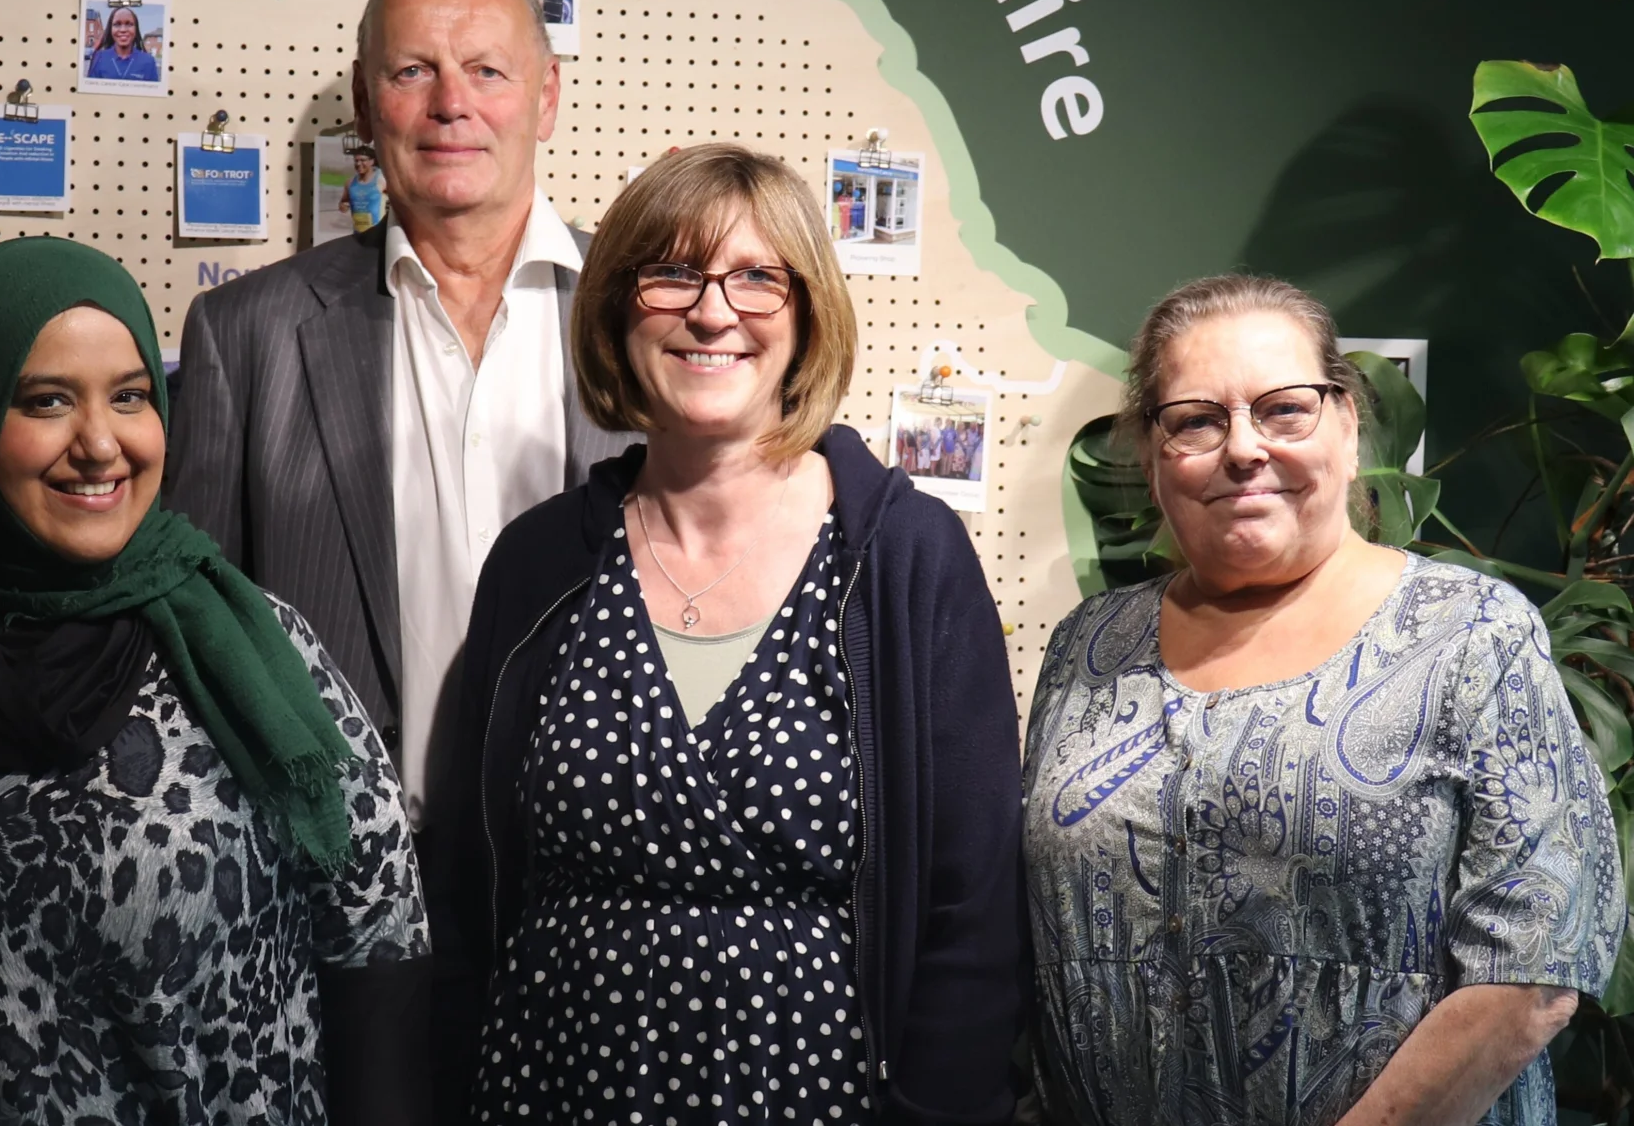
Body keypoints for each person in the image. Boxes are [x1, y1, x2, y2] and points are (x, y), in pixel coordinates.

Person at [432, 141, 1023, 1123]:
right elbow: (467, 878)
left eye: (757, 277)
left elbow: (974, 911)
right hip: (552, 1086)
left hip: (815, 1095)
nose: (713, 311)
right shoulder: (539, 562)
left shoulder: (903, 559)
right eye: (672, 272)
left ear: (807, 315)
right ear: (617, 309)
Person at [0, 237, 430, 1124]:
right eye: (46, 401)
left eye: (131, 396)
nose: (100, 444)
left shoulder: (251, 649)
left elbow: (378, 944)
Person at [1021, 272, 1625, 1126]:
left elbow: (1534, 971)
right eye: (1196, 420)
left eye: (1284, 410)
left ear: (1346, 427)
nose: (1243, 448)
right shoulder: (1088, 648)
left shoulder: (1470, 635)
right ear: (1152, 459)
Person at [164, 0, 630, 832]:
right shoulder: (245, 335)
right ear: (364, 100)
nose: (451, 103)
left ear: (547, 97)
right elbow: (200, 642)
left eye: (487, 70)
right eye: (413, 71)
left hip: (597, 876)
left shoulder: (650, 316)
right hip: (347, 876)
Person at [86, 4, 161, 82]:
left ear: (136, 29)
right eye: (117, 24)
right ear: (110, 29)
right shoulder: (99, 58)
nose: (123, 29)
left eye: (129, 24)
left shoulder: (148, 61)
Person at [339, 141, 387, 232]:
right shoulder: (350, 183)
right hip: (358, 234)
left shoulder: (382, 179)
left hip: (377, 234)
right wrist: (343, 206)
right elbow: (343, 204)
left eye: (362, 160)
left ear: (372, 161)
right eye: (356, 161)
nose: (358, 164)